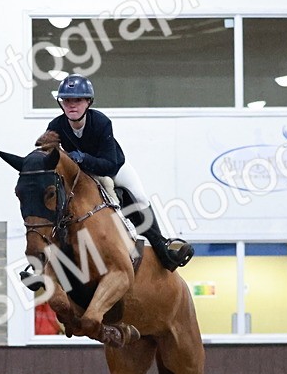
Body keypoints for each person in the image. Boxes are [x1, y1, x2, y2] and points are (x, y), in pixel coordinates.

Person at [46, 74, 194, 271]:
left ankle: (162, 249)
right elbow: (49, 158)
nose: (72, 105)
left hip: (112, 169)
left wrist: (83, 158)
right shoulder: (55, 127)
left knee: (139, 197)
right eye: (67, 100)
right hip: (80, 176)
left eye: (78, 100)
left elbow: (109, 164)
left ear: (88, 102)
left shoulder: (101, 122)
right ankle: (47, 259)